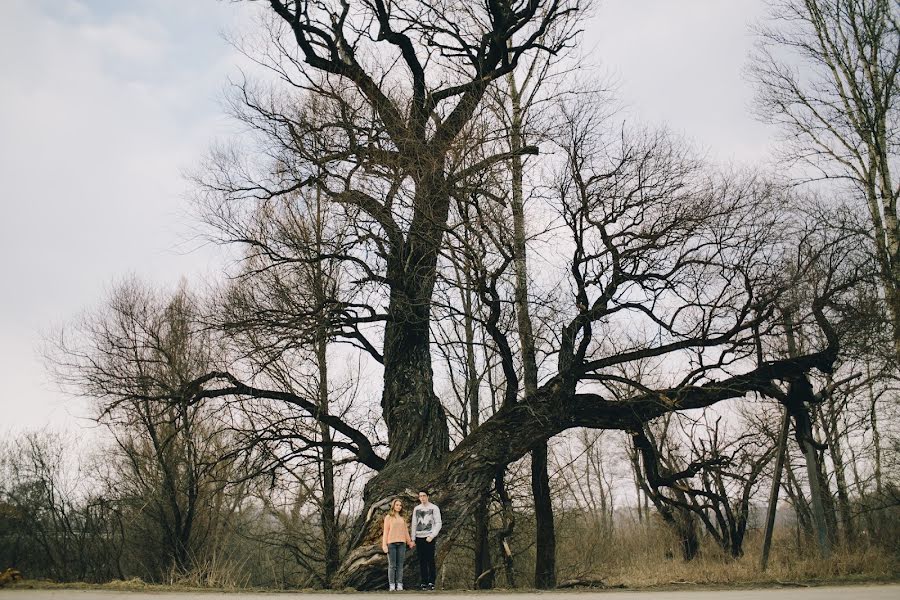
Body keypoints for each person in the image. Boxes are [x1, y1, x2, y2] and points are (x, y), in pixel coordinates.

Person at [410, 490, 441, 590]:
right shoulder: (416, 509)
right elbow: (414, 524)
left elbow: (438, 523)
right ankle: (424, 582)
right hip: (419, 537)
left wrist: (432, 536)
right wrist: (413, 538)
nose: (422, 498)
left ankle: (432, 582)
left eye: (424, 496)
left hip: (429, 537)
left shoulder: (434, 508)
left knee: (430, 560)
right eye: (420, 496)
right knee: (422, 560)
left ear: (428, 496)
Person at [382, 498, 414, 591]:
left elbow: (406, 532)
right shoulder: (388, 517)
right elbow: (385, 532)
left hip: (402, 544)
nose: (399, 507)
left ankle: (399, 584)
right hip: (391, 544)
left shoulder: (402, 518)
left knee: (400, 565)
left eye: (400, 505)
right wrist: (384, 545)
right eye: (397, 505)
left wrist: (409, 542)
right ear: (393, 506)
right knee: (392, 566)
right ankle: (392, 585)